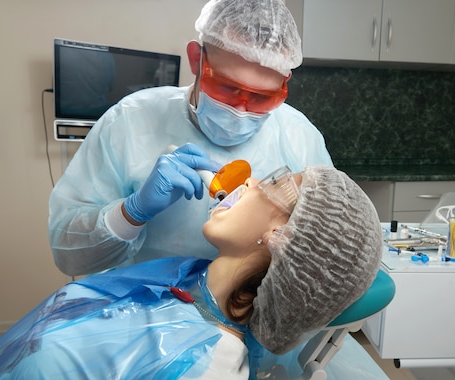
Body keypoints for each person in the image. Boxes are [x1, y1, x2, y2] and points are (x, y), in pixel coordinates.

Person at [0, 166, 382, 380]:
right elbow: (38, 351)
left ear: (284, 237)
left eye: (273, 184)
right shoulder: (181, 283)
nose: (248, 182)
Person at [49, 0, 333, 277]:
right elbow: (69, 255)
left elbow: (330, 247)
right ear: (197, 59)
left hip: (251, 317)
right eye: (228, 88)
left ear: (284, 85)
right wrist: (132, 212)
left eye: (263, 97)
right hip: (145, 313)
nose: (241, 110)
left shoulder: (301, 138)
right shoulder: (129, 120)